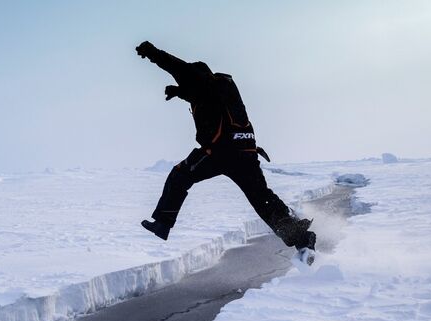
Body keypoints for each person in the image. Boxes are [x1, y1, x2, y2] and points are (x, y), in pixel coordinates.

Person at [135, 41, 316, 265]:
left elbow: (176, 67)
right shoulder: (222, 88)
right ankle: (301, 238)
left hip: (220, 152)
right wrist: (179, 92)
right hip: (246, 151)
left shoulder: (199, 78)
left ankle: (162, 224)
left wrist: (152, 52)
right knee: (262, 198)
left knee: (179, 175)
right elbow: (200, 95)